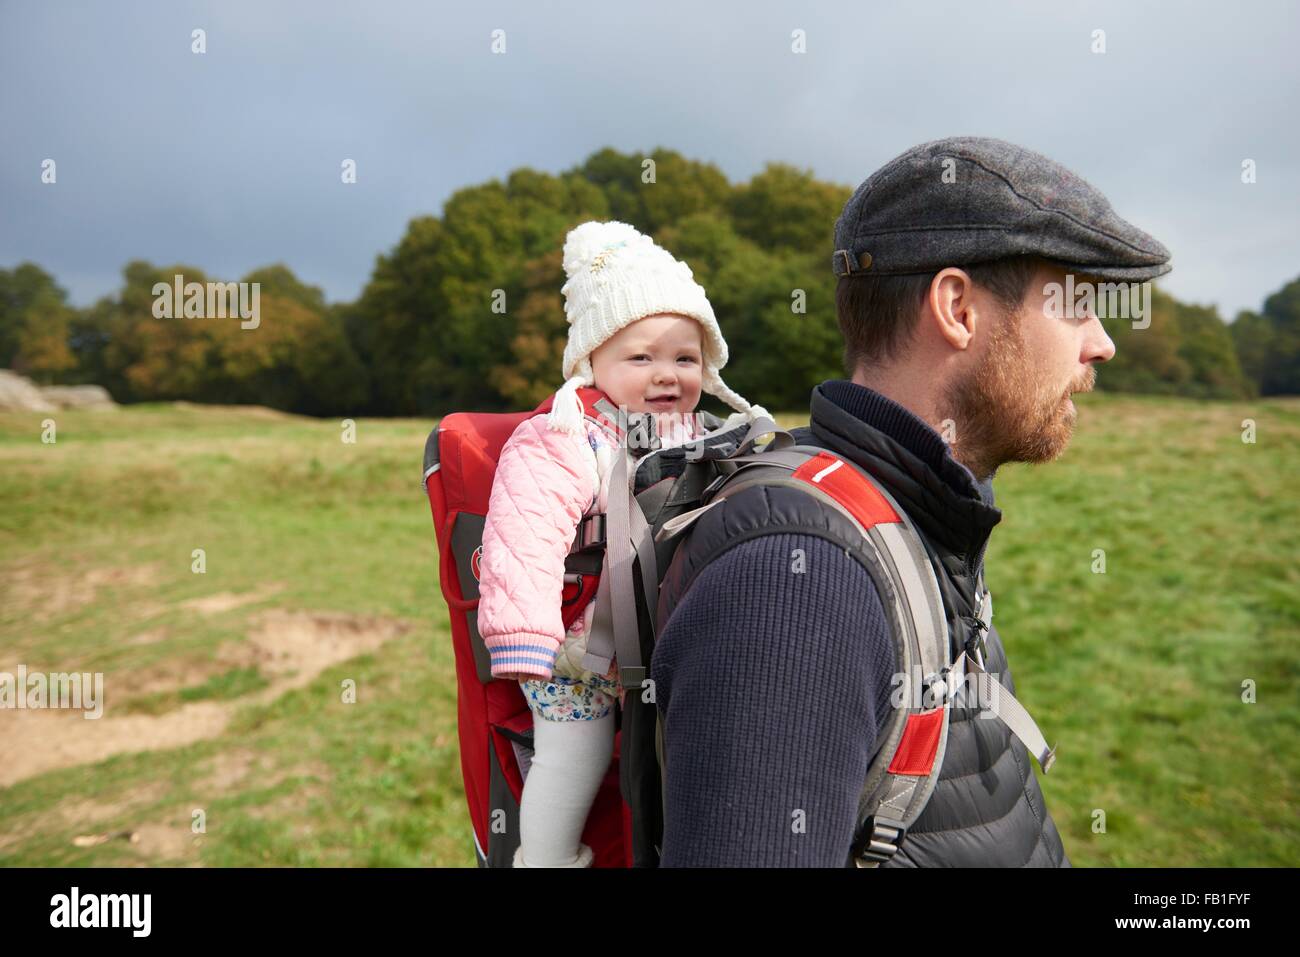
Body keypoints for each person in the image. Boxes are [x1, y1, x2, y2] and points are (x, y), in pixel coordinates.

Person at [650, 136, 1173, 866]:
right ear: (957, 307)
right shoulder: (799, 585)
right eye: (1076, 303)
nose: (1102, 342)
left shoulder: (927, 521)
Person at [476, 219, 767, 868]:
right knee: (571, 757)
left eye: (685, 358)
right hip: (574, 649)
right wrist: (526, 635)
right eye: (641, 357)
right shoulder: (565, 438)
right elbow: (521, 535)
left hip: (661, 636)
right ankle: (544, 858)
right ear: (592, 362)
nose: (666, 374)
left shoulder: (700, 432)